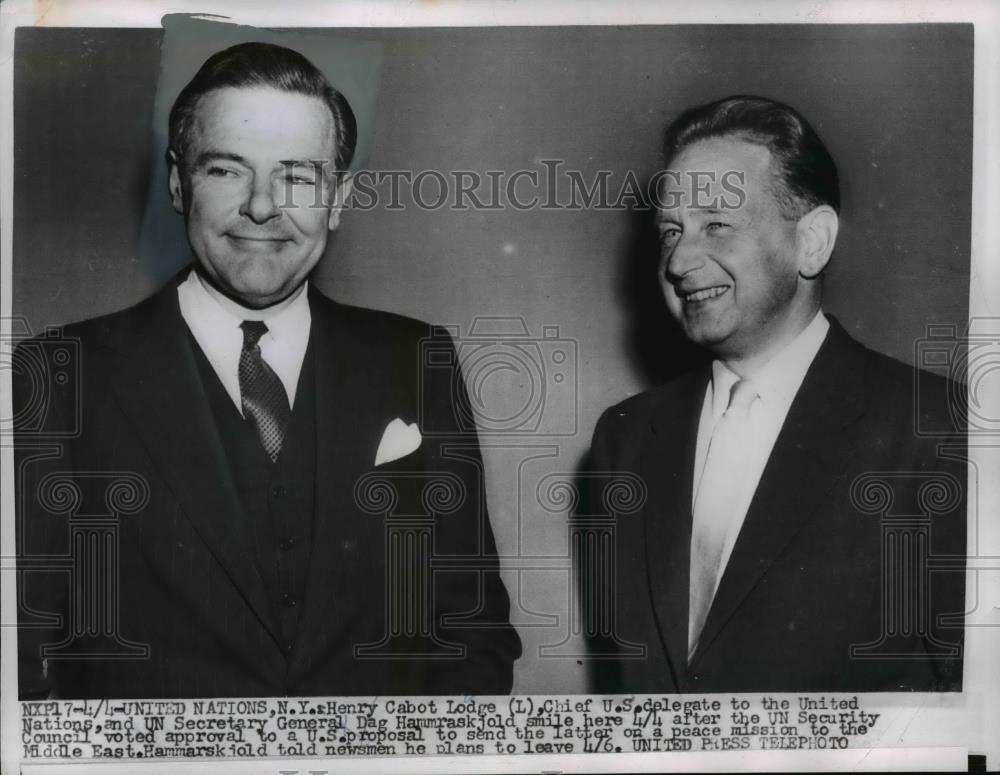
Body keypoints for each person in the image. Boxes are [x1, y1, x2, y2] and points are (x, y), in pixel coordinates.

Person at [15, 41, 520, 699]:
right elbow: (21, 656)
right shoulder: (59, 374)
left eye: (298, 176)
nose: (262, 206)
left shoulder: (418, 359)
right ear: (177, 184)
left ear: (338, 198)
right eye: (227, 169)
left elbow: (473, 632)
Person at [587, 95, 966, 692]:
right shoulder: (625, 437)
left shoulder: (940, 430)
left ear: (811, 242)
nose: (681, 260)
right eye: (669, 231)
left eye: (717, 223)